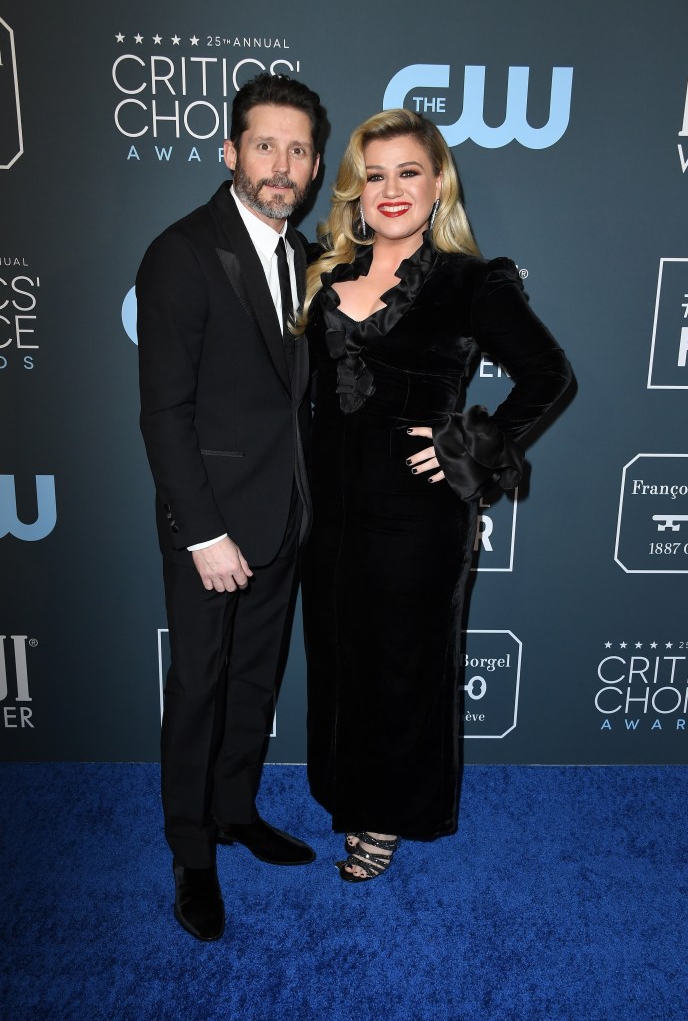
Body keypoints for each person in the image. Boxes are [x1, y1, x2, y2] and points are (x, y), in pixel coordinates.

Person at [297, 108, 572, 882]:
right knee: (339, 662)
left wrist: (466, 447)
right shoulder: (323, 268)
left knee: (401, 668)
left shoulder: (468, 281)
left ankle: (385, 816)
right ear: (355, 188)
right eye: (374, 174)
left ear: (437, 181)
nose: (390, 190)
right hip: (329, 512)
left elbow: (549, 375)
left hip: (416, 519)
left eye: (408, 172)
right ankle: (346, 792)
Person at [136, 73, 328, 939]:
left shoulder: (308, 253)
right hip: (212, 529)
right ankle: (191, 852)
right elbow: (164, 414)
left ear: (315, 164)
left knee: (256, 680)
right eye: (264, 145)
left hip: (285, 516)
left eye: (297, 149)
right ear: (230, 153)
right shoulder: (181, 251)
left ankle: (236, 811)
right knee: (201, 690)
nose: (280, 165)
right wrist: (201, 533)